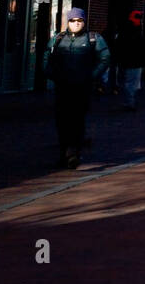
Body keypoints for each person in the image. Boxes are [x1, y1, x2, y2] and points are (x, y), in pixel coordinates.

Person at [43, 9, 110, 169]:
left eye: (79, 20)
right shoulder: (58, 39)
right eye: (72, 20)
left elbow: (105, 58)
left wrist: (92, 76)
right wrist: (52, 74)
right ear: (68, 22)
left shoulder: (93, 39)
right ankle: (64, 152)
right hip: (62, 86)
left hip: (82, 87)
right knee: (61, 121)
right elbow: (47, 57)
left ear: (84, 21)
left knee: (77, 119)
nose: (76, 23)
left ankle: (73, 153)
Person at [114, 11, 145, 110]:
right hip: (134, 62)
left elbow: (119, 46)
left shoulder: (124, 31)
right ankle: (129, 102)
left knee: (127, 82)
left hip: (126, 61)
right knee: (131, 83)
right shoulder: (137, 32)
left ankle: (128, 101)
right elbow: (142, 48)